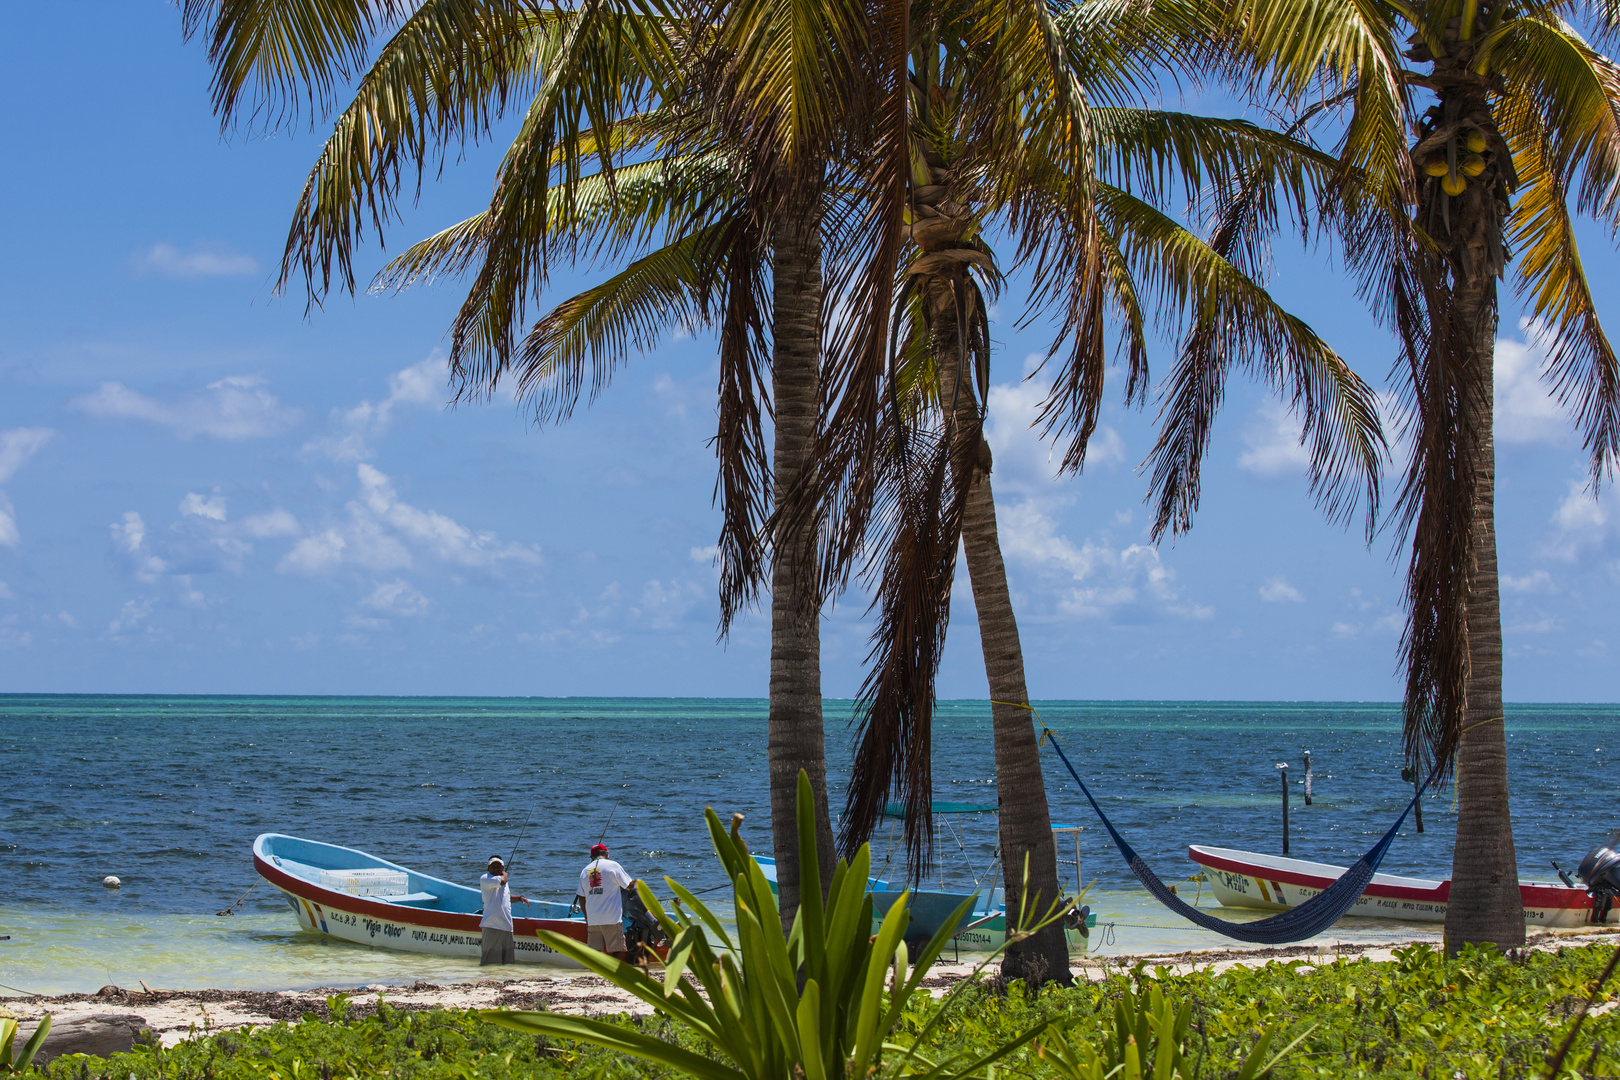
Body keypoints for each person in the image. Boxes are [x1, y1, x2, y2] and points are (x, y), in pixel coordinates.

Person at [574, 842, 635, 961]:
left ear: (592, 857)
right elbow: (629, 886)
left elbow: (581, 897)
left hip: (593, 919)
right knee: (618, 949)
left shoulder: (584, 871)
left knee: (595, 952)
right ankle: (614, 974)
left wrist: (588, 919)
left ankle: (595, 973)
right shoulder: (613, 866)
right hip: (611, 918)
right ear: (607, 854)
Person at [479, 855, 528, 966]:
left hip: (506, 926)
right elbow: (502, 881)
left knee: (507, 962)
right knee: (489, 962)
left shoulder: (503, 881)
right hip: (492, 925)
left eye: (498, 866)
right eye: (493, 866)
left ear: (502, 867)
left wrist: (519, 898)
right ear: (488, 869)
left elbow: (506, 897)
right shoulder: (486, 878)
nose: (496, 868)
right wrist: (505, 875)